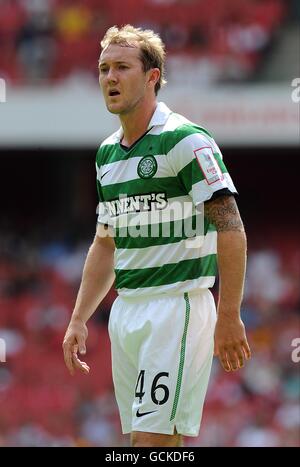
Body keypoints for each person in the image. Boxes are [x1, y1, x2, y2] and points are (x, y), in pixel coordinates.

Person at [62, 24, 251, 448]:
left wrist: (228, 314)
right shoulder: (107, 154)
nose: (110, 77)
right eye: (103, 68)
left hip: (176, 306)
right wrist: (78, 318)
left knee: (150, 443)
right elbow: (106, 243)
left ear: (152, 77)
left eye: (122, 67)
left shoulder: (186, 141)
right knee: (153, 443)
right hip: (127, 314)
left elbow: (231, 227)